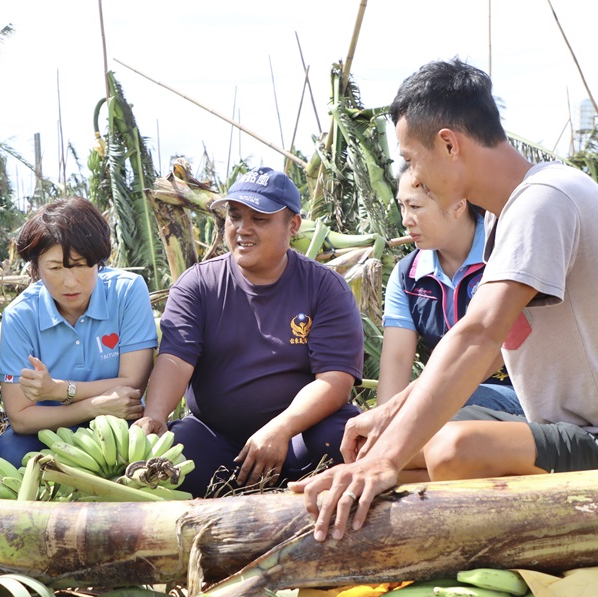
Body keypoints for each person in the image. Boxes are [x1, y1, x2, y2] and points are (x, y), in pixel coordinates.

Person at [291, 58, 598, 542]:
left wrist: (385, 460)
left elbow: (480, 334)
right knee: (384, 443)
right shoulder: (505, 214)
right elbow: (504, 343)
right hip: (559, 426)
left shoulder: (544, 200)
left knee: (451, 449)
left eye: (411, 159)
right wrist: (390, 415)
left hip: (589, 434)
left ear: (449, 144)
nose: (412, 175)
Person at [135, 167, 365, 497]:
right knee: (174, 456)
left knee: (340, 440)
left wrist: (280, 429)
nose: (243, 229)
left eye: (259, 219)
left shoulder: (325, 288)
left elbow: (335, 381)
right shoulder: (198, 285)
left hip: (299, 436)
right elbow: (175, 359)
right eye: (235, 216)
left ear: (293, 225)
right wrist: (155, 414)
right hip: (217, 437)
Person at [0, 197, 158, 465]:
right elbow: (21, 417)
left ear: (99, 261)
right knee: (9, 455)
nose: (70, 283)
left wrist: (58, 391)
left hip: (121, 422)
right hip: (46, 430)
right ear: (35, 268)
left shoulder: (127, 291)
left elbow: (132, 386)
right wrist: (91, 407)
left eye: (80, 265)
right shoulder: (20, 316)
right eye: (55, 268)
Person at [379, 167, 522, 420]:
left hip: (525, 395)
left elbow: (496, 347)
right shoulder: (406, 276)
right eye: (402, 206)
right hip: (446, 395)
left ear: (458, 204)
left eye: (415, 206)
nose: (405, 220)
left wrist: (411, 406)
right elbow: (397, 360)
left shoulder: (504, 254)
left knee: (441, 411)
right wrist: (381, 421)